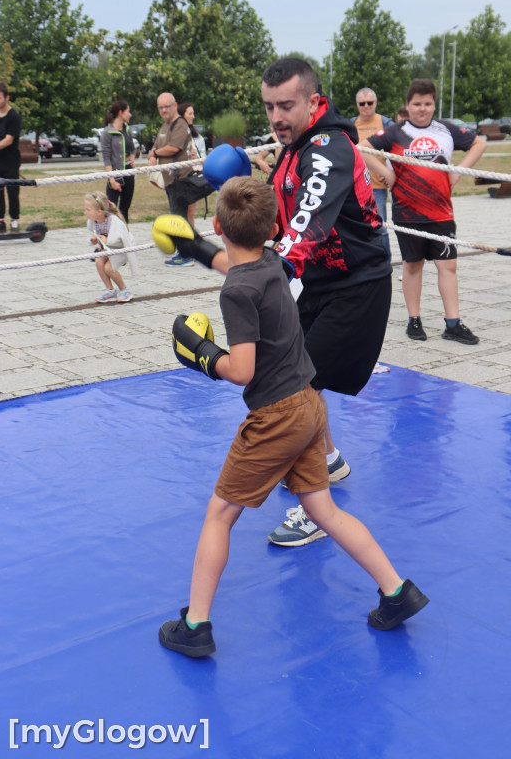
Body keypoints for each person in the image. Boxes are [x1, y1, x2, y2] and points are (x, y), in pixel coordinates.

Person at [155, 176, 429, 658]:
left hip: (276, 416)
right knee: (323, 510)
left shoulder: (237, 293)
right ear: (274, 226)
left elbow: (242, 370)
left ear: (218, 225)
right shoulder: (273, 263)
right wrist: (197, 249)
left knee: (219, 516)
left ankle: (195, 626)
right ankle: (396, 590)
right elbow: (235, 266)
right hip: (309, 404)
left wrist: (201, 354)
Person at [159, 58, 393, 549]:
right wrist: (205, 240)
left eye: (286, 105)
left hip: (356, 288)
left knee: (294, 389)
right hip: (319, 283)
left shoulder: (327, 149)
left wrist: (221, 261)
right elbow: (272, 221)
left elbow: (305, 224)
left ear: (313, 101)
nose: (276, 117)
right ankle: (327, 459)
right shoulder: (293, 148)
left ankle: (314, 505)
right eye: (269, 107)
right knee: (300, 379)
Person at [359, 78, 486, 345]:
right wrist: (385, 173)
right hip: (408, 214)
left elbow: (479, 144)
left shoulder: (447, 130)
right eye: (417, 104)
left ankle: (453, 323)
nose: (422, 109)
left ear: (433, 104)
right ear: (408, 105)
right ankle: (413, 320)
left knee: (448, 266)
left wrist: (458, 171)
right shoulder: (396, 131)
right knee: (413, 266)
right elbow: (362, 150)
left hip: (441, 214)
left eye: (428, 104)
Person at [147, 92, 193, 267]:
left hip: (180, 179)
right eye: (161, 107)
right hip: (169, 180)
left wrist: (155, 153)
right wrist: (152, 154)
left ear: (175, 105)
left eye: (167, 106)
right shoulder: (165, 126)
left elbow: (174, 148)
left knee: (179, 218)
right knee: (177, 215)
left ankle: (186, 255)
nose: (164, 110)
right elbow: (157, 146)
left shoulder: (180, 124)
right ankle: (186, 252)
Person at [351, 87, 394, 258]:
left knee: (380, 226)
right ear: (357, 105)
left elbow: (398, 150)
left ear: (376, 103)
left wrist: (389, 171)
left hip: (377, 185)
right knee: (357, 227)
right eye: (362, 103)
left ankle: (385, 261)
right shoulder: (351, 124)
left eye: (370, 103)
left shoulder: (386, 123)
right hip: (353, 185)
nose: (366, 106)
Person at [84, 191, 136, 303]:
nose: (85, 212)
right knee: (98, 261)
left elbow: (121, 240)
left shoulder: (115, 222)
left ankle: (124, 290)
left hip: (122, 248)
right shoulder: (94, 221)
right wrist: (94, 240)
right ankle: (110, 290)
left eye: (88, 210)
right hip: (109, 248)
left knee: (109, 268)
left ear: (99, 212)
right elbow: (96, 236)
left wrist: (106, 241)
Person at [100, 100, 136, 224]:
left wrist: (132, 156)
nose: (130, 114)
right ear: (120, 112)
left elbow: (132, 147)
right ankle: (110, 238)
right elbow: (106, 157)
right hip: (114, 175)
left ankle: (124, 236)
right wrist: (112, 180)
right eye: (128, 111)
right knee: (111, 210)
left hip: (129, 174)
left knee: (125, 209)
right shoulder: (107, 132)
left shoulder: (127, 129)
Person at [177, 102, 206, 228]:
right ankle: (180, 243)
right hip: (177, 177)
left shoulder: (197, 137)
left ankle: (190, 242)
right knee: (178, 212)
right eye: (190, 113)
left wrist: (195, 158)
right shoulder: (175, 135)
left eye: (193, 113)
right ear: (182, 116)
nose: (193, 116)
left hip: (192, 177)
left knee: (190, 212)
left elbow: (203, 158)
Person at [0, 82, 21, 233]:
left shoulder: (13, 116)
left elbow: (8, 140)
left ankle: (14, 220)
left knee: (12, 191)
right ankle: (0, 221)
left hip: (11, 161)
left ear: (7, 98)